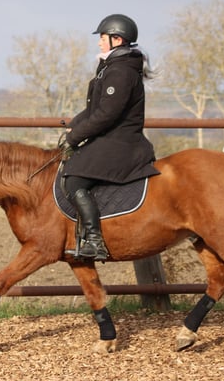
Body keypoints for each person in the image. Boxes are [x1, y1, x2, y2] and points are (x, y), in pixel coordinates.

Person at [61, 13, 159, 261]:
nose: (99, 42)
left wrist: (75, 139)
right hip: (111, 139)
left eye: (102, 38)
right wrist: (73, 128)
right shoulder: (112, 67)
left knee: (74, 181)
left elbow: (107, 114)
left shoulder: (121, 72)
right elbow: (95, 109)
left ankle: (95, 241)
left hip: (122, 143)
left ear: (117, 39)